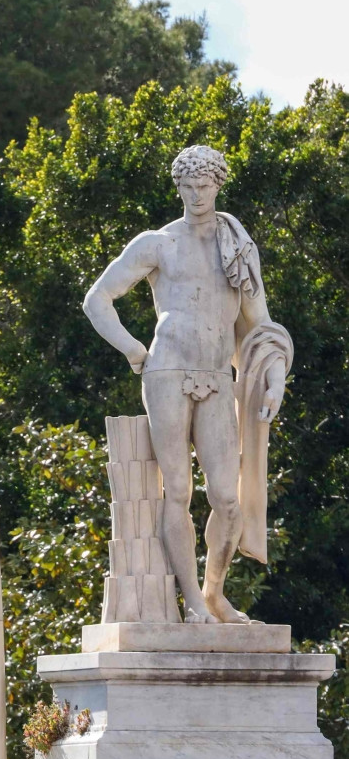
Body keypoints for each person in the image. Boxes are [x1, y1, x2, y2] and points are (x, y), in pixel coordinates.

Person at [83, 145, 293, 623]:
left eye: (206, 185)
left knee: (226, 498)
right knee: (177, 489)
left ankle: (213, 591)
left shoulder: (236, 246)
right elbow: (97, 300)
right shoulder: (157, 243)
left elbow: (259, 325)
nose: (198, 194)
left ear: (219, 185)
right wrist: (134, 350)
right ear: (177, 187)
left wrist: (274, 375)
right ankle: (192, 601)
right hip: (167, 371)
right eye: (189, 186)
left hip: (219, 377)